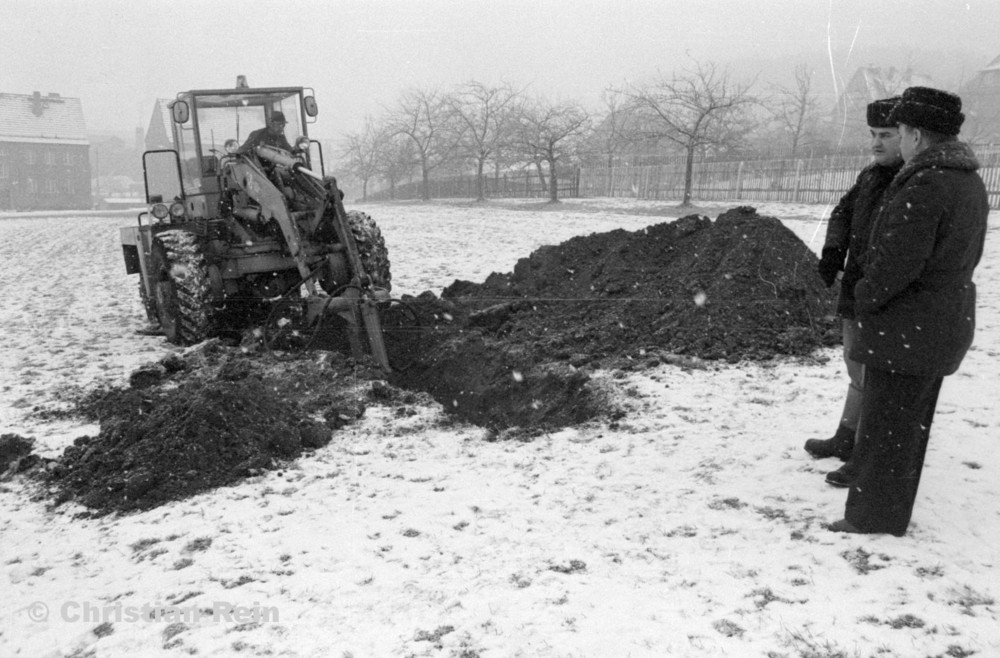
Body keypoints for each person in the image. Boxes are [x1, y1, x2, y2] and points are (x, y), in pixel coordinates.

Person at [828, 86, 989, 536]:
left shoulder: (928, 182)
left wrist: (863, 294)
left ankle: (870, 520)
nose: (895, 138)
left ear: (916, 134)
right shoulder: (967, 179)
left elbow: (897, 261)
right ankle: (885, 513)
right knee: (904, 430)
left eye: (898, 129)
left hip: (908, 324)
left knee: (885, 431)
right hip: (938, 320)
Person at [804, 97, 903, 488]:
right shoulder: (870, 176)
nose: (876, 144)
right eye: (873, 135)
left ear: (909, 136)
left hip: (880, 293)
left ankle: (865, 451)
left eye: (886, 136)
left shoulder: (910, 180)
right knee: (855, 365)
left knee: (873, 373)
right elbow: (843, 212)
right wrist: (833, 250)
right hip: (856, 288)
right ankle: (847, 436)